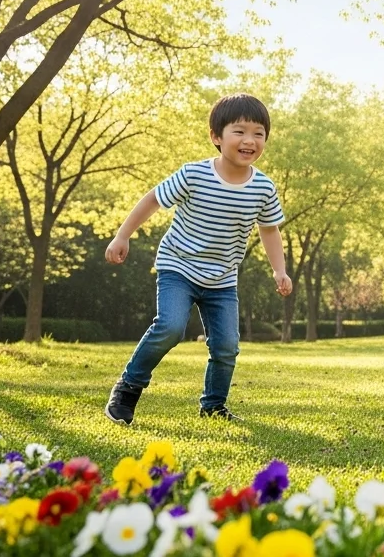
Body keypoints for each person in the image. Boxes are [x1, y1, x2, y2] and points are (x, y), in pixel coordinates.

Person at [103, 93, 292, 425]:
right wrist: (123, 235)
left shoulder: (263, 187)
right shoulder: (194, 174)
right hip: (178, 266)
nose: (249, 140)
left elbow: (269, 229)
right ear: (217, 136)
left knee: (227, 345)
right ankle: (128, 389)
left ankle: (213, 405)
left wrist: (280, 270)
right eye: (239, 131)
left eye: (258, 133)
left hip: (222, 278)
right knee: (171, 327)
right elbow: (153, 199)